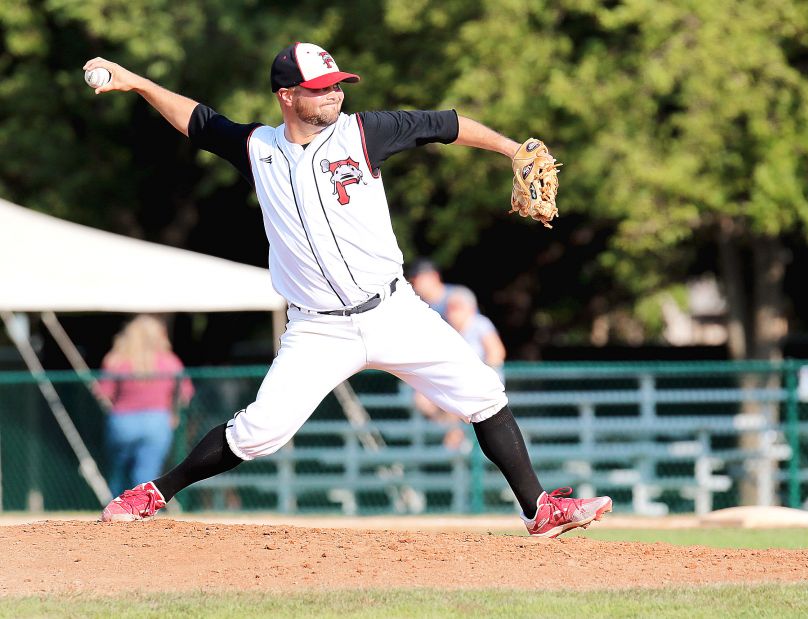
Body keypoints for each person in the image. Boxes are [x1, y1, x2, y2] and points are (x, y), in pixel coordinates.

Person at [87, 41, 611, 537]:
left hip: (393, 310)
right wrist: (135, 82)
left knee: (483, 393)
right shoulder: (258, 149)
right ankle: (155, 493)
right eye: (320, 87)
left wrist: (509, 148)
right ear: (286, 96)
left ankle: (539, 508)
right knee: (258, 433)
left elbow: (445, 124)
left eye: (337, 84)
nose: (335, 93)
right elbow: (198, 121)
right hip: (317, 328)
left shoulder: (364, 133)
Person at [96, 315, 194, 496]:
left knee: (119, 473)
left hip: (122, 422)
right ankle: (140, 511)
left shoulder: (116, 361)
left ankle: (114, 510)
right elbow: (185, 394)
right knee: (146, 474)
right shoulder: (170, 362)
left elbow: (103, 394)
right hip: (157, 422)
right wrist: (173, 413)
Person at [415, 286, 506, 451]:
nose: (451, 312)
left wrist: (477, 374)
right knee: (422, 399)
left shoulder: (480, 324)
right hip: (458, 382)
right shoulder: (447, 329)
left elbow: (496, 352)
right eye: (449, 308)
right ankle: (458, 435)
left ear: (470, 308)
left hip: (482, 381)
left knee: (455, 394)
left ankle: (457, 439)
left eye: (456, 308)